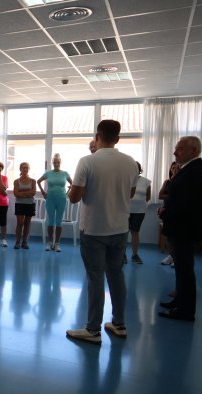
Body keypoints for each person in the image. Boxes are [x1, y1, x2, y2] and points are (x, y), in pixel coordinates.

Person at [66, 119, 138, 344]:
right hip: (119, 229)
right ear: (117, 138)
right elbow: (130, 193)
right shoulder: (131, 163)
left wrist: (76, 191)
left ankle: (93, 330)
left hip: (94, 229)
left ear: (97, 136)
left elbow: (75, 197)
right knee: (116, 275)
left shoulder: (87, 161)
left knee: (95, 277)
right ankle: (119, 324)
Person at [158, 136, 202, 321]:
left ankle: (186, 311)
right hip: (181, 227)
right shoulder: (189, 169)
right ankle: (179, 301)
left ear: (193, 150)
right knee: (181, 269)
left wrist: (165, 213)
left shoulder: (196, 171)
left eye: (179, 149)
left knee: (185, 270)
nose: (175, 152)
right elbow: (179, 197)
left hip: (185, 229)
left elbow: (188, 204)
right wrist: (166, 209)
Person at [37, 153, 73, 252]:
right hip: (50, 198)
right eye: (54, 162)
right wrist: (43, 192)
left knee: (59, 221)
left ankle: (57, 244)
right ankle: (49, 243)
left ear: (60, 163)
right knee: (51, 221)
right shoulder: (48, 173)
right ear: (52, 163)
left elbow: (73, 183)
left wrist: (68, 191)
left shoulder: (65, 173)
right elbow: (38, 181)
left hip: (62, 198)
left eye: (58, 162)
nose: (56, 164)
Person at [127, 162, 151, 264]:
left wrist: (139, 204)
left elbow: (148, 196)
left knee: (135, 232)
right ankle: (122, 255)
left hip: (139, 211)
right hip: (125, 210)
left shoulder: (146, 182)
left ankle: (134, 255)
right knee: (123, 233)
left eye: (136, 168)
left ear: (139, 169)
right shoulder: (125, 180)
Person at [158, 162, 179, 267]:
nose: (174, 169)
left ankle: (177, 258)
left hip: (179, 213)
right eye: (172, 168)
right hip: (167, 211)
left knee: (178, 236)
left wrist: (170, 196)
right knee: (169, 236)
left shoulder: (182, 181)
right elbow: (160, 195)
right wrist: (171, 197)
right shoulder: (167, 182)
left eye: (176, 168)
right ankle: (171, 256)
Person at [13, 162, 36, 249]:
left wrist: (22, 193)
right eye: (23, 168)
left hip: (30, 204)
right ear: (20, 169)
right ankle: (17, 241)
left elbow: (33, 193)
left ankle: (24, 241)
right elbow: (16, 194)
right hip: (19, 204)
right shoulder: (16, 181)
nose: (25, 169)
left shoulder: (33, 181)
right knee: (20, 223)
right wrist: (28, 192)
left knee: (27, 223)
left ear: (28, 169)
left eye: (26, 168)